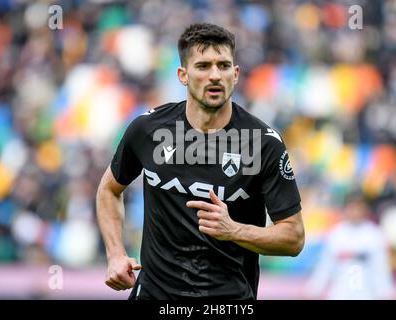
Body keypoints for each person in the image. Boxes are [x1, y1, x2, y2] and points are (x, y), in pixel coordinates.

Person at [96, 23, 304, 299]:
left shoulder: (261, 143)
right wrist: (115, 253)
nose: (215, 76)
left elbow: (293, 237)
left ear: (236, 74)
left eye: (224, 66)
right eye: (203, 66)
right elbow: (109, 190)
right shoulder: (149, 130)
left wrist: (234, 230)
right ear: (183, 75)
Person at [304, 192, 394, 299]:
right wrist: (313, 290)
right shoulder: (337, 234)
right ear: (346, 209)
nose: (355, 212)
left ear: (365, 209)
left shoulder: (374, 235)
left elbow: (380, 269)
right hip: (340, 294)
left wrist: (387, 293)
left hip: (366, 295)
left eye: (359, 207)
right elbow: (325, 267)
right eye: (352, 207)